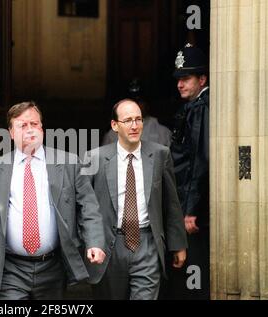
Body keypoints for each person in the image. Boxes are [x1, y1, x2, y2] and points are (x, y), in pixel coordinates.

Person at [0, 101, 106, 300]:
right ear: (10, 132)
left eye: (34, 124)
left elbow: (88, 206)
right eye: (22, 125)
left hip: (53, 267)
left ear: (42, 128)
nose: (29, 130)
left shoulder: (68, 163)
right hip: (11, 269)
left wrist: (94, 242)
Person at [86, 99, 187, 300]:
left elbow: (171, 203)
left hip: (147, 243)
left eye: (138, 120)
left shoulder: (160, 154)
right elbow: (86, 207)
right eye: (128, 120)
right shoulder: (95, 158)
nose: (134, 126)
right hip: (110, 245)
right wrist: (90, 242)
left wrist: (178, 244)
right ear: (115, 125)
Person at [166, 43, 210, 300]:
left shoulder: (201, 108)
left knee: (193, 273)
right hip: (185, 202)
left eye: (187, 78)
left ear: (202, 78)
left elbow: (200, 161)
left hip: (193, 210)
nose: (180, 84)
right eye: (178, 79)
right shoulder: (193, 106)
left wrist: (191, 209)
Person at [102, 78, 172, 147]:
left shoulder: (162, 131)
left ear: (146, 103)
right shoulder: (113, 132)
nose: (134, 105)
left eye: (139, 101)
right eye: (131, 101)